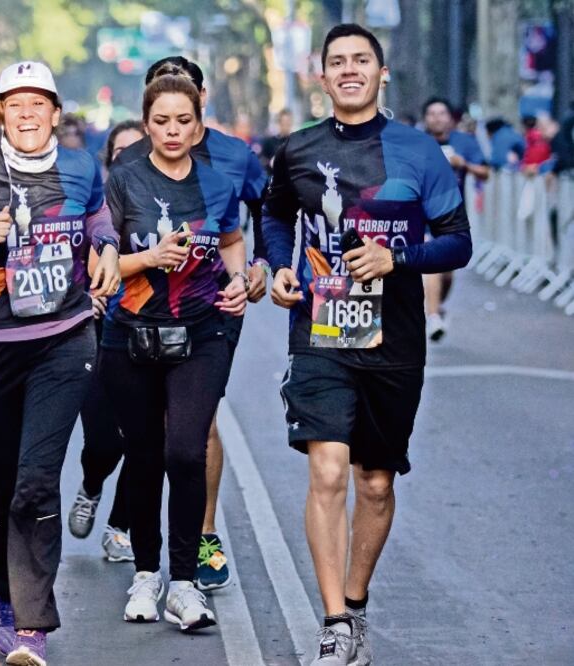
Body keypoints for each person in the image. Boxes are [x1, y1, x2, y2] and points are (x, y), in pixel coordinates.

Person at [263, 24, 471, 665]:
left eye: (361, 60)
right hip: (321, 331)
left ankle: (354, 605)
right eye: (337, 62)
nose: (349, 70)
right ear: (322, 77)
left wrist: (395, 257)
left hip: (394, 337)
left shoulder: (419, 151)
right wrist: (281, 266)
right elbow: (275, 214)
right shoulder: (298, 149)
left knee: (375, 482)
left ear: (382, 74)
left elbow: (458, 242)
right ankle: (333, 623)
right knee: (327, 468)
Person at [0, 60, 121, 666]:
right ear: (1, 113)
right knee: (4, 482)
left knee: (36, 480)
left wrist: (108, 246)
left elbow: (97, 215)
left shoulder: (81, 165)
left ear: (56, 113)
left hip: (64, 339)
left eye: (38, 103)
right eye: (16, 104)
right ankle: (5, 601)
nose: (27, 114)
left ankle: (32, 624)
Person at [101, 54, 270, 595]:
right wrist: (150, 259)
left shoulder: (222, 177)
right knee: (146, 451)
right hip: (133, 329)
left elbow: (239, 233)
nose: (172, 130)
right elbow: (98, 262)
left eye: (183, 120)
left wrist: (243, 277)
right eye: (161, 120)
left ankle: (189, 568)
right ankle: (146, 573)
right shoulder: (125, 176)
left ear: (199, 121)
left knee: (187, 445)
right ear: (146, 122)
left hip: (204, 326)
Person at [66, 118, 146, 564]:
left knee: (145, 439)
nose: (130, 160)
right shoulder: (91, 205)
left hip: (151, 330)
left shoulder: (167, 199)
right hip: (98, 333)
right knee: (102, 439)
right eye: (121, 152)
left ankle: (120, 527)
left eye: (139, 150)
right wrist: (83, 297)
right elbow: (66, 263)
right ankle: (91, 485)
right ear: (109, 159)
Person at [421, 97, 489, 341]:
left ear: (450, 118)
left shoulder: (464, 142)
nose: (437, 118)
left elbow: (486, 172)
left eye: (442, 113)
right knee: (431, 263)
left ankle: (435, 307)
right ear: (425, 118)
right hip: (420, 214)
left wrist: (463, 164)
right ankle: (432, 317)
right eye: (432, 114)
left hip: (451, 214)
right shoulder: (417, 142)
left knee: (447, 274)